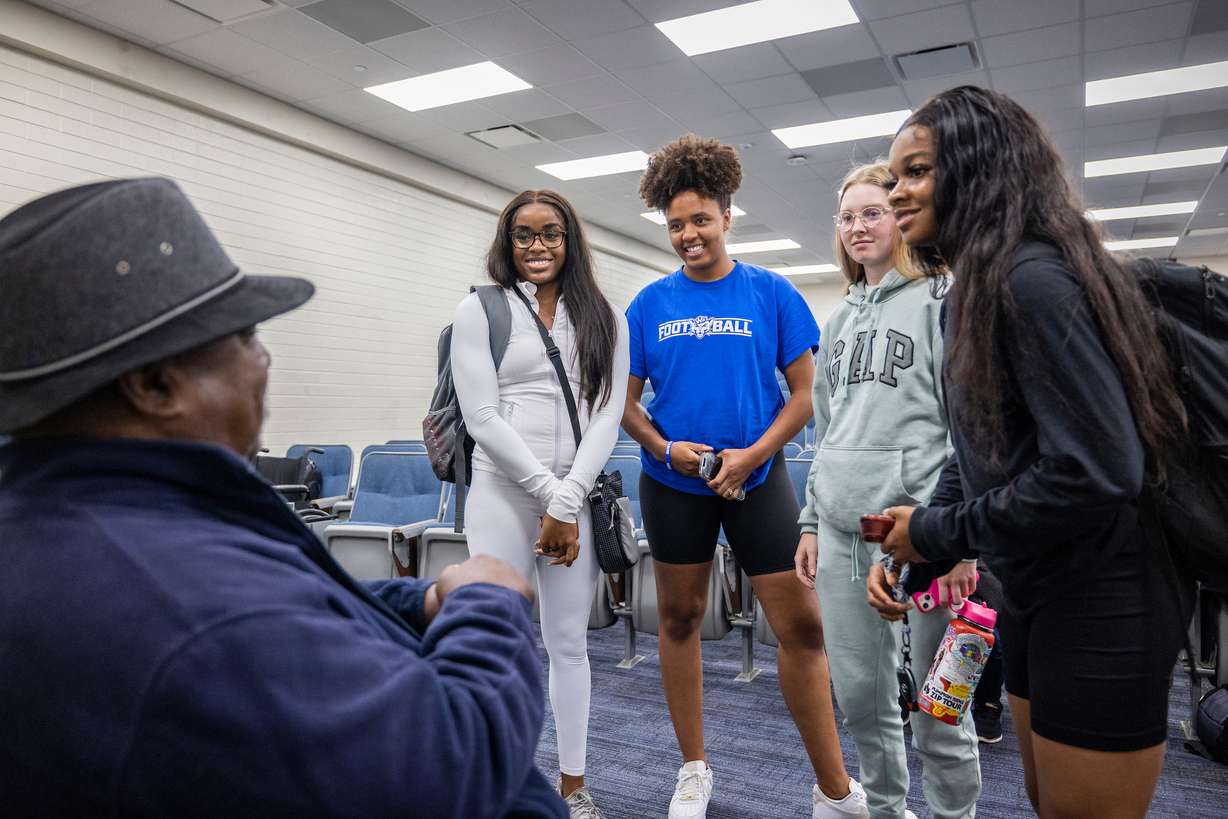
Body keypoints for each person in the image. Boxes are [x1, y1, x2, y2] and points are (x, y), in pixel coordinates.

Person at [0, 178, 566, 819]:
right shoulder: (196, 609)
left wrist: (416, 601)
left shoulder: (80, 518)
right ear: (155, 385)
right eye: (245, 338)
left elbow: (274, 611)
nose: (263, 362)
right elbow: (446, 770)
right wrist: (489, 606)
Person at [875, 86, 1188, 818]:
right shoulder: (970, 294)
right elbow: (980, 446)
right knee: (1048, 801)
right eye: (894, 176)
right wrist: (923, 538)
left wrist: (936, 530)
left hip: (1107, 595)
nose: (897, 193)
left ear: (979, 168)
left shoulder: (1033, 278)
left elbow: (1097, 470)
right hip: (1033, 586)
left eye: (916, 171)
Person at [623, 134, 867, 819]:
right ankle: (694, 769)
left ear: (728, 215)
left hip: (758, 480)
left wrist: (752, 455)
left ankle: (835, 789)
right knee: (678, 617)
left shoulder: (772, 292)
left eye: (700, 219)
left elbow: (804, 394)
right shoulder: (647, 305)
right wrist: (667, 450)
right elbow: (624, 403)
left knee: (803, 627)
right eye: (675, 224)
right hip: (674, 483)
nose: (688, 234)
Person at [795, 162, 981, 819]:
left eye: (872, 212)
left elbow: (973, 428)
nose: (858, 227)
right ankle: (885, 810)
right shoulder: (837, 320)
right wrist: (812, 520)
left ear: (899, 217)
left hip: (928, 534)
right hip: (847, 533)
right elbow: (828, 427)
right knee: (862, 699)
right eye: (847, 217)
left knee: (938, 707)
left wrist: (962, 544)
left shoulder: (942, 299)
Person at [451, 189, 629, 819]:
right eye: (524, 235)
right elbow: (481, 416)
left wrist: (570, 498)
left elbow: (607, 416)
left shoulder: (604, 315)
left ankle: (573, 787)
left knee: (568, 644)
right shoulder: (482, 309)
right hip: (504, 491)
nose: (537, 246)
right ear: (507, 243)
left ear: (570, 240)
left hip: (572, 493)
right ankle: (491, 781)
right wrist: (552, 497)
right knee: (496, 639)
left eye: (550, 233)